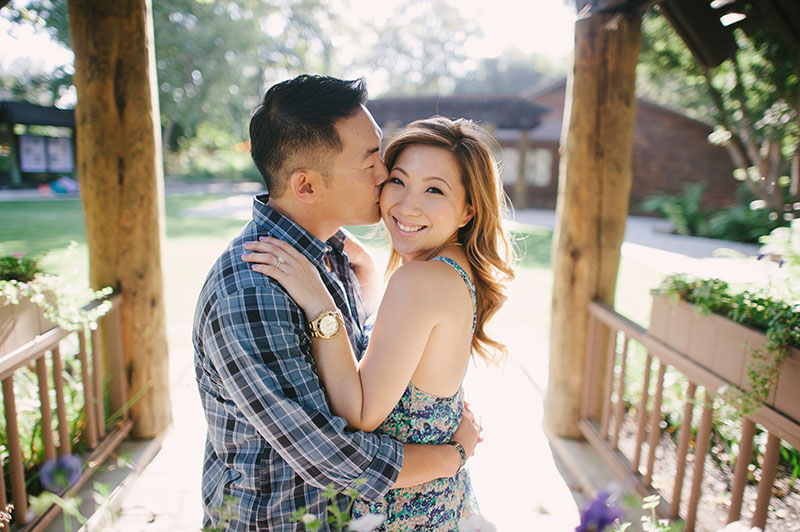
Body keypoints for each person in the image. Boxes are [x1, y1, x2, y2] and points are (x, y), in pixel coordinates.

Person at [193, 75, 481, 532]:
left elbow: (372, 352)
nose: (385, 174)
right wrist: (454, 454)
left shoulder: (329, 252)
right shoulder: (252, 291)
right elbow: (333, 456)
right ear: (305, 186)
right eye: (371, 163)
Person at [242, 117, 515, 530]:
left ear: (468, 209)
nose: (407, 205)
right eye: (398, 181)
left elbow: (362, 413)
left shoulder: (419, 281)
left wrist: (320, 303)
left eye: (434, 190)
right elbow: (397, 348)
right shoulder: (451, 269)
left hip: (403, 514)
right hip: (438, 503)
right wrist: (366, 269)